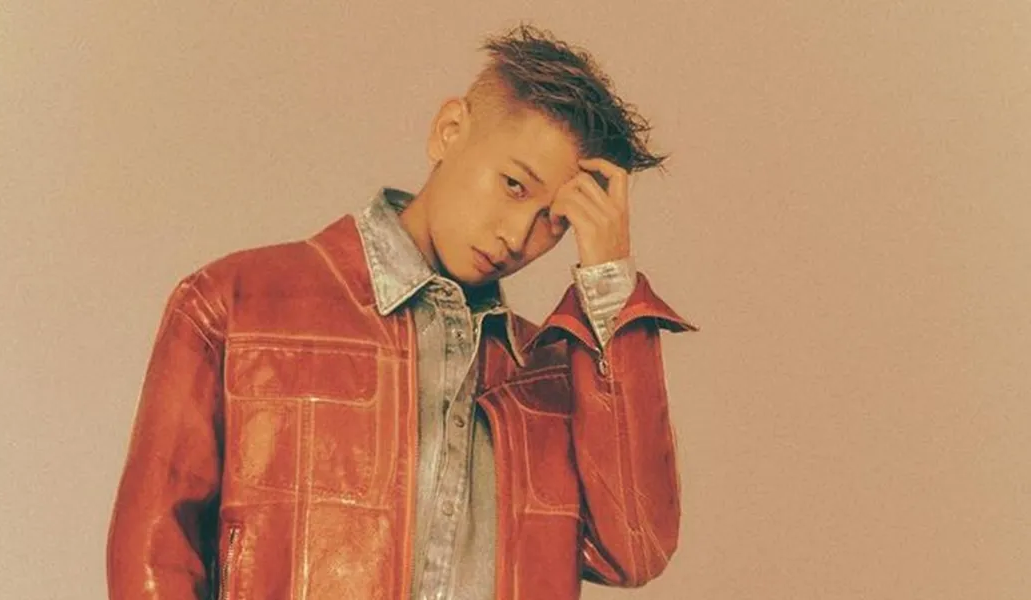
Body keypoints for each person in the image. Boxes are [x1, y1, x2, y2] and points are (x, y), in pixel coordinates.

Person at [106, 23, 698, 600]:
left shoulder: (545, 376)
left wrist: (610, 280)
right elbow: (153, 553)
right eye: (514, 185)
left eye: (556, 221)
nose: (519, 235)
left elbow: (635, 550)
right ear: (449, 131)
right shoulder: (237, 304)